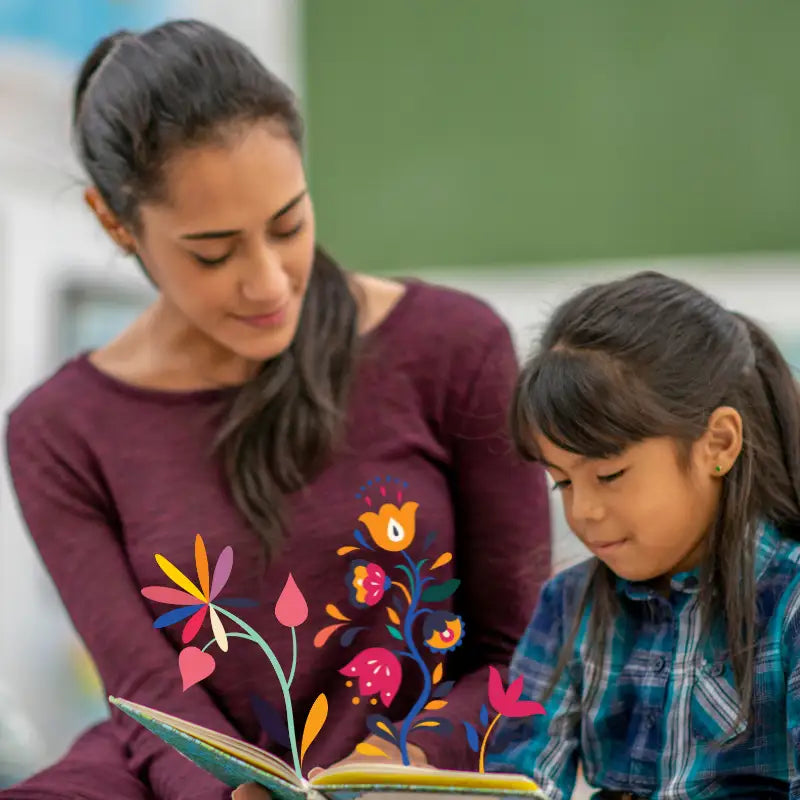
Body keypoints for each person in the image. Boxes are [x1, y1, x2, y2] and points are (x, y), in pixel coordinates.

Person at [2, 19, 551, 800]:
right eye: (213, 252)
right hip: (183, 780)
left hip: (413, 773)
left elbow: (522, 655)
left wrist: (406, 768)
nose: (266, 282)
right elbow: (147, 694)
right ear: (114, 222)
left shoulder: (453, 347)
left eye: (288, 225)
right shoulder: (58, 432)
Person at [486, 271, 800, 799]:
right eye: (561, 482)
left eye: (609, 475)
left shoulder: (790, 607)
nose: (582, 511)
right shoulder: (568, 608)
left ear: (718, 443)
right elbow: (516, 782)